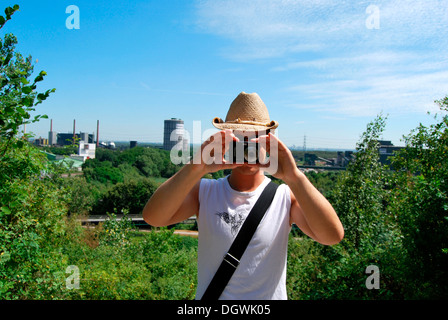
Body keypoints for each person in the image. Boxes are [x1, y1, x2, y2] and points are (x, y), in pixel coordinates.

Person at [142, 92, 344, 300]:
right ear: (226, 141)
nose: (248, 148)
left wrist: (295, 177)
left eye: (256, 139)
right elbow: (154, 217)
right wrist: (196, 167)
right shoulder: (204, 191)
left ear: (270, 141)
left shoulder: (285, 197)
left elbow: (332, 236)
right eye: (241, 139)